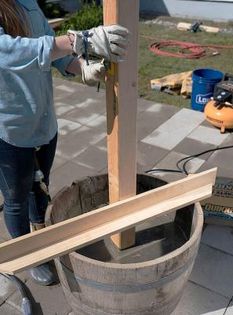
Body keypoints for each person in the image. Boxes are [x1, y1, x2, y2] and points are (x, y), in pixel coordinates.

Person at [0, 0, 129, 285]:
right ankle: (27, 256)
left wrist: (80, 67)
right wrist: (79, 40)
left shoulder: (27, 2)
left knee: (40, 186)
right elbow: (8, 52)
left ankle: (40, 236)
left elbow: (49, 49)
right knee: (16, 200)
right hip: (8, 130)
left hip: (42, 122)